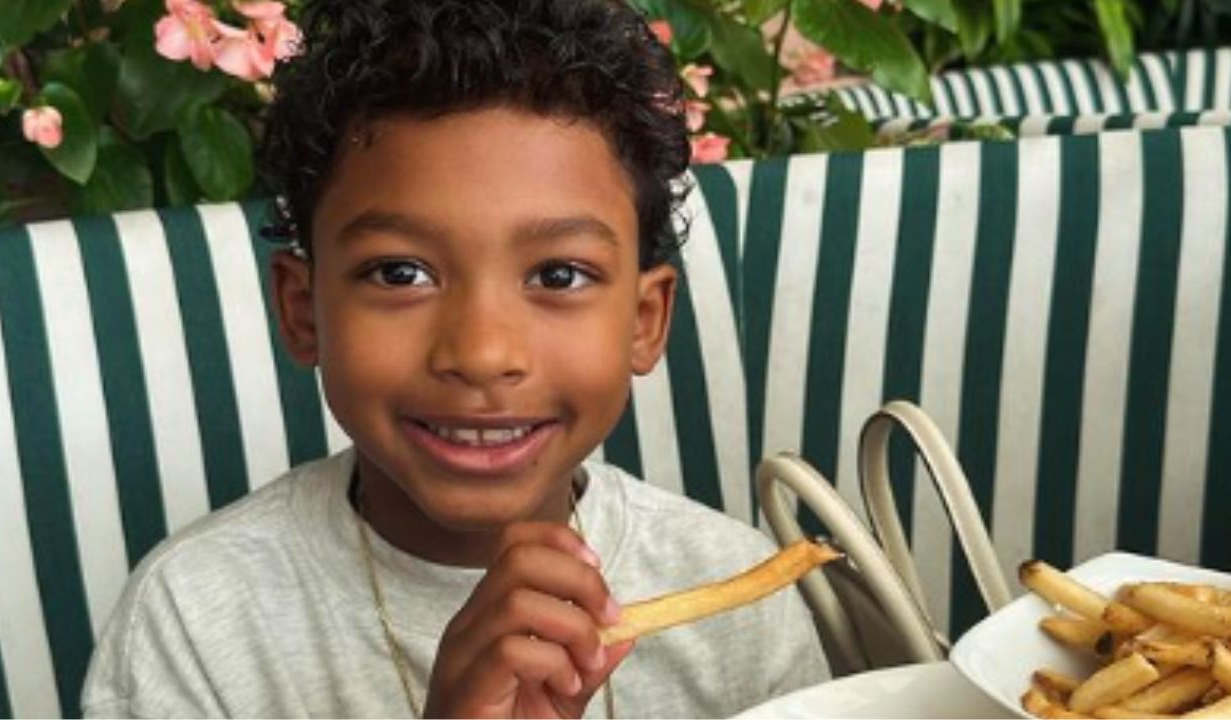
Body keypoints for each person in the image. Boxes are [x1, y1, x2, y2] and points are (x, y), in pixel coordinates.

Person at [81, 0, 830, 716]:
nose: (481, 354)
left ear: (644, 320)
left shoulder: (738, 604)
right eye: (400, 273)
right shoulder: (194, 623)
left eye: (558, 275)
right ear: (303, 311)